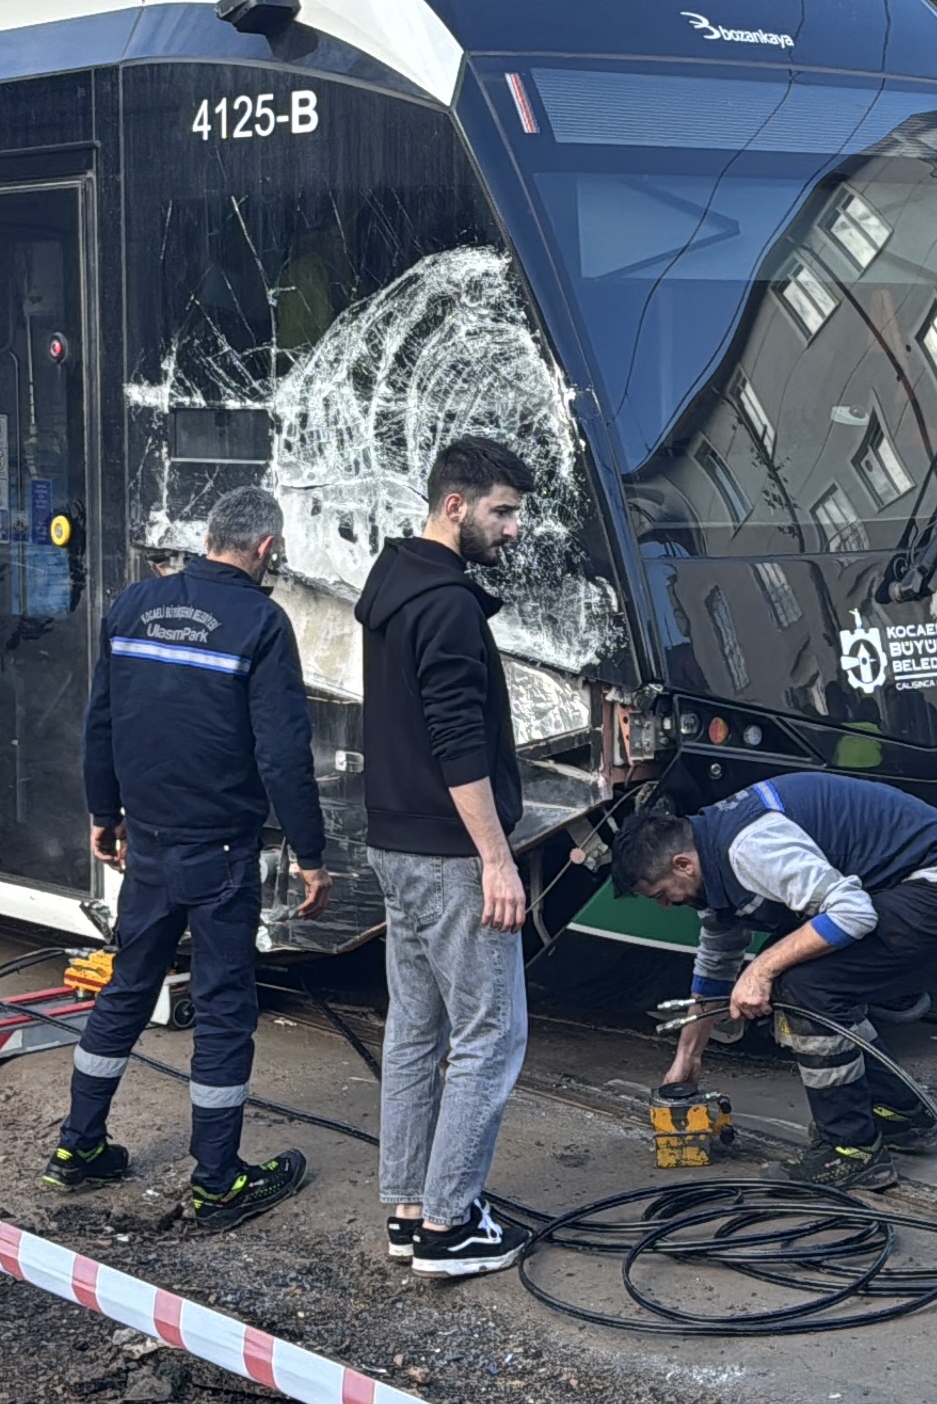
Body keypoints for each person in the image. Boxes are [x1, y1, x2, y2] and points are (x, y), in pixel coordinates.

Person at [44, 487, 330, 1225]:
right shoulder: (262, 623)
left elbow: (99, 721)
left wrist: (104, 814)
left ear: (209, 538)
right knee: (226, 1008)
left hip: (148, 845)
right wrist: (310, 852)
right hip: (222, 854)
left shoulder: (133, 604)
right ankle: (216, 1180)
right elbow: (282, 752)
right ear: (266, 548)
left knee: (128, 989)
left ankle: (78, 1147)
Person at [615, 773, 937, 1190]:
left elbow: (854, 914)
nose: (668, 906)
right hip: (915, 881)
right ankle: (898, 1112)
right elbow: (717, 962)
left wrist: (760, 970)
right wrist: (688, 1057)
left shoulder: (749, 848)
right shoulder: (710, 856)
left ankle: (851, 1149)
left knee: (804, 986)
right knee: (800, 975)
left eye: (663, 895)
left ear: (682, 864)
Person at [359, 437, 537, 1279]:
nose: (512, 530)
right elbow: (459, 744)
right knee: (490, 1035)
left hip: (395, 844)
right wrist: (498, 861)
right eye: (502, 511)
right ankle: (448, 1224)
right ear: (455, 506)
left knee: (415, 1028)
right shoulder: (450, 606)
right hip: (451, 852)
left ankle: (406, 1207)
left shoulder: (392, 588)